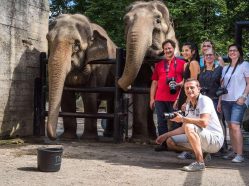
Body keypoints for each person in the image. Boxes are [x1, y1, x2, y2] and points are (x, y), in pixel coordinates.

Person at [156, 79, 224, 172]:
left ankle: (200, 163)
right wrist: (165, 135)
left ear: (198, 89)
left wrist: (183, 119)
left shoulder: (205, 100)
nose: (189, 90)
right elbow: (183, 128)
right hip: (203, 138)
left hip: (215, 140)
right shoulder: (188, 105)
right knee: (170, 141)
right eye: (187, 88)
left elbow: (204, 122)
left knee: (189, 126)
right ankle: (203, 153)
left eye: (192, 87)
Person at [150, 39, 185, 151]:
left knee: (176, 122)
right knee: (161, 122)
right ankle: (163, 144)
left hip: (175, 98)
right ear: (163, 50)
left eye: (169, 48)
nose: (167, 50)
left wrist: (179, 85)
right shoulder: (159, 65)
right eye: (165, 49)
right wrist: (152, 98)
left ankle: (174, 144)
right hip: (160, 98)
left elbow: (186, 80)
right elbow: (154, 82)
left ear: (174, 49)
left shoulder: (182, 63)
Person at [217, 43, 249, 163]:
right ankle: (235, 151)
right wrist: (219, 102)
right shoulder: (225, 68)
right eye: (230, 50)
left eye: (235, 50)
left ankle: (240, 155)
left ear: (239, 52)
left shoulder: (245, 65)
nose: (232, 52)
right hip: (226, 100)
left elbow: (248, 83)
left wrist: (244, 96)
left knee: (235, 126)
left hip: (238, 100)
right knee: (230, 126)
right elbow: (223, 87)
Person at [174, 42, 200, 159]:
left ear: (193, 51)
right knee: (184, 123)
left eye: (187, 50)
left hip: (190, 97)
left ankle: (192, 151)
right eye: (183, 50)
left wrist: (188, 101)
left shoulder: (194, 63)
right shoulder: (186, 64)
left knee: (189, 123)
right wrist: (178, 98)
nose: (184, 52)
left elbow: (193, 84)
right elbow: (184, 83)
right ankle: (187, 149)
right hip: (183, 96)